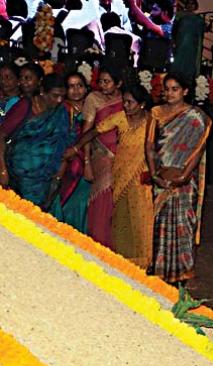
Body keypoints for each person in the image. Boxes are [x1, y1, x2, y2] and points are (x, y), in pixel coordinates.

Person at [68, 84, 155, 268]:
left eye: (130, 102)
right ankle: (123, 262)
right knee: (121, 219)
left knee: (141, 219)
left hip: (141, 177)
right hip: (120, 175)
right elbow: (94, 131)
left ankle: (142, 263)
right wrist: (76, 148)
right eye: (124, 101)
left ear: (141, 105)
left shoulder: (152, 122)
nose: (126, 105)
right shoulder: (120, 118)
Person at [146, 73, 211, 283]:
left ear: (185, 91)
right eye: (167, 89)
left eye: (175, 89)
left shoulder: (196, 118)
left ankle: (180, 277)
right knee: (158, 225)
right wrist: (155, 173)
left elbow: (198, 151)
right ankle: (157, 272)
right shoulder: (156, 113)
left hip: (184, 182)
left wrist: (183, 176)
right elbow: (149, 145)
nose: (170, 93)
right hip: (161, 177)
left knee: (183, 226)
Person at [0, 74, 72, 206]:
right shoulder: (25, 106)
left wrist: (57, 177)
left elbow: (63, 146)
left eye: (63, 96)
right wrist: (2, 170)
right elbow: (1, 137)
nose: (59, 100)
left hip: (44, 179)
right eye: (55, 96)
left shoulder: (61, 113)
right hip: (17, 176)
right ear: (43, 91)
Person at [82, 66, 123, 248]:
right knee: (101, 203)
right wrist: (87, 162)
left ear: (119, 83)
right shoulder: (93, 99)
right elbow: (86, 133)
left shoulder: (126, 100)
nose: (103, 85)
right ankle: (98, 248)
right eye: (100, 81)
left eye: (107, 82)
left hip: (122, 160)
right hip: (102, 158)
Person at [50, 72, 90, 233]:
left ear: (86, 88)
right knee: (62, 200)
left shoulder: (93, 106)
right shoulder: (61, 109)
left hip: (86, 160)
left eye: (79, 85)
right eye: (71, 86)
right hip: (64, 161)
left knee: (81, 203)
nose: (76, 90)